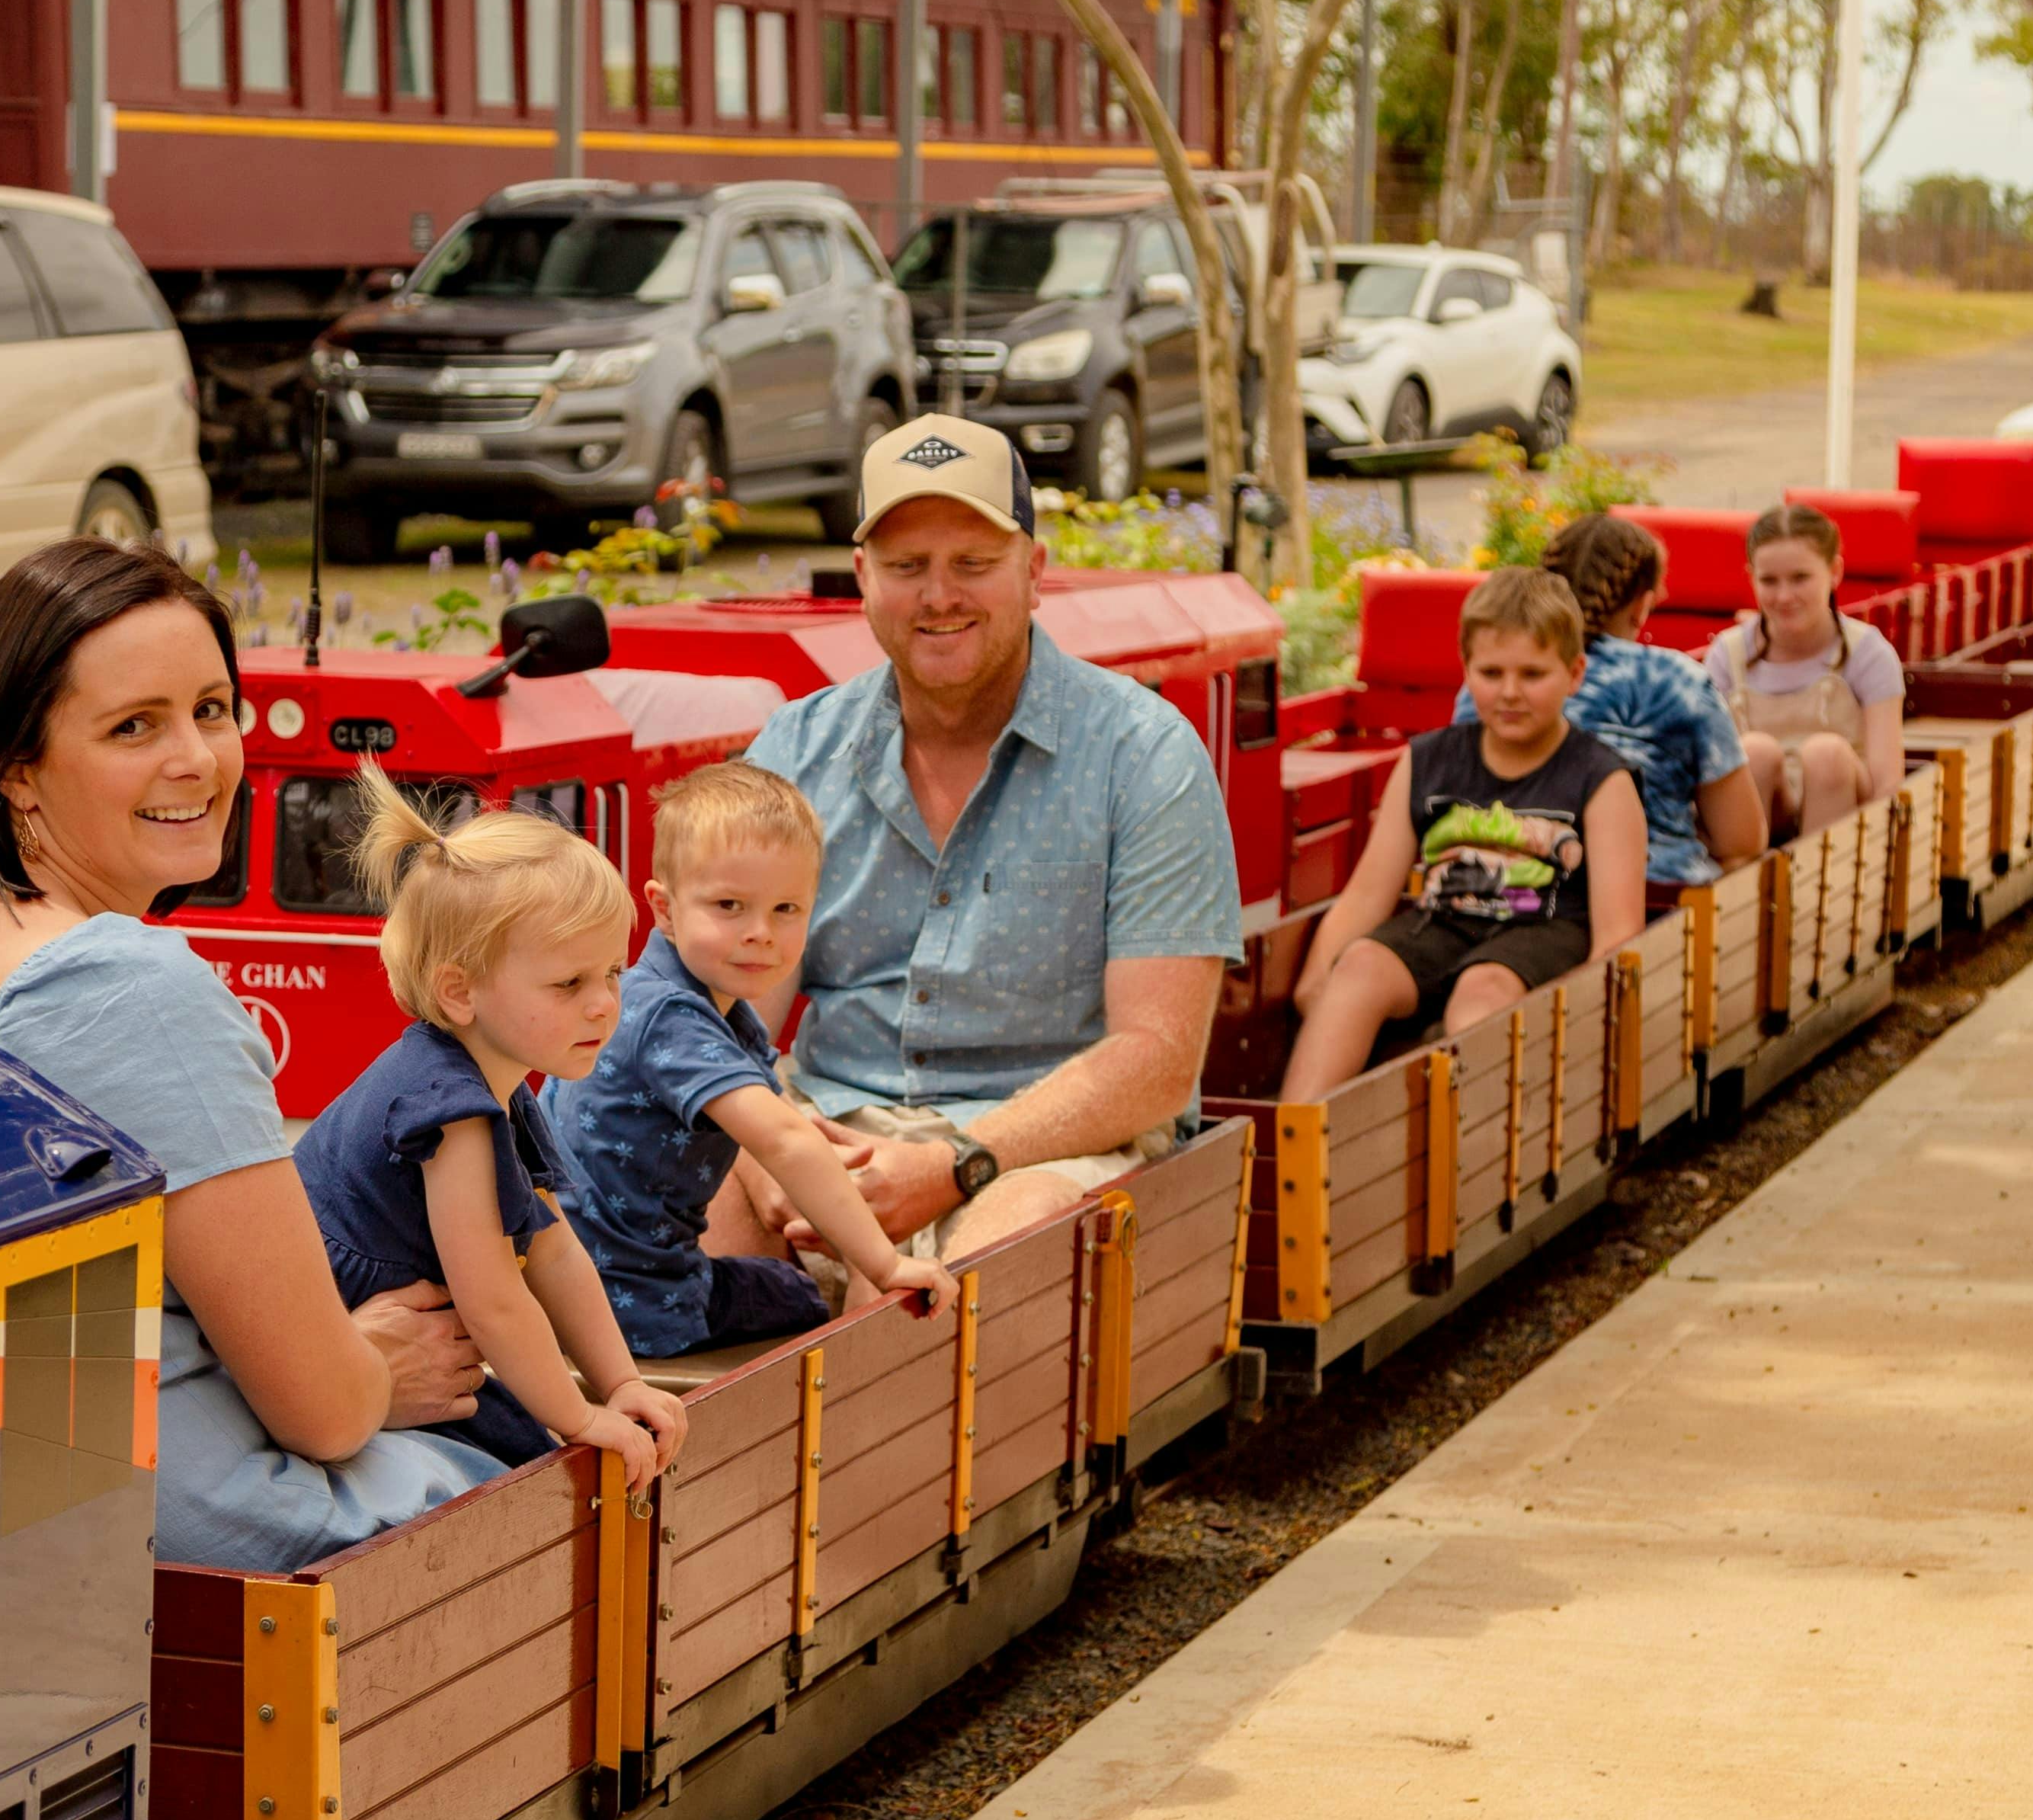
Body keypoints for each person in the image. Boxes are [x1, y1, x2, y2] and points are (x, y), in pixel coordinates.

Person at [0, 537, 495, 1576]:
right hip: (160, 1524)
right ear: (15, 766)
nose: (199, 758)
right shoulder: (124, 991)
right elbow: (320, 1413)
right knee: (515, 1478)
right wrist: (376, 1369)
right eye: (134, 727)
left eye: (213, 710)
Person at [724, 412, 1239, 1263]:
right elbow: (720, 1019)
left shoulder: (1143, 755)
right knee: (678, 1205)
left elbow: (1158, 1060)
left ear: (1035, 572)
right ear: (862, 577)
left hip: (1041, 1145)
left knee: (996, 1261)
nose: (939, 596)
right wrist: (760, 1151)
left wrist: (953, 1163)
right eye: (907, 567)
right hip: (824, 1123)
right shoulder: (796, 749)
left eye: (973, 564)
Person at [294, 783, 691, 1485]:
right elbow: (493, 1300)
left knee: (537, 1442)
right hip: (347, 1313)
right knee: (532, 1463)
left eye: (613, 973)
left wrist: (620, 1381)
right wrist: (578, 1415)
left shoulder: (499, 1080)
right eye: (568, 984)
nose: (604, 1004)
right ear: (459, 991)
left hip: (404, 1310)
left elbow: (551, 1250)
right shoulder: (453, 1110)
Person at [550, 760, 958, 1357]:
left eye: (786, 910)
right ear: (665, 910)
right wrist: (885, 1263)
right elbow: (784, 1143)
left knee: (777, 1276)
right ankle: (846, 1403)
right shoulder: (673, 1018)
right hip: (630, 1303)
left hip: (580, 1277)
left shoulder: (682, 1001)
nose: (760, 933)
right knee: (802, 1294)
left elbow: (777, 1115)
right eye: (730, 906)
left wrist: (812, 1139)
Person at [1282, 566, 1644, 1101]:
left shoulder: (1601, 778)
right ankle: (1296, 1145)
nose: (1510, 693)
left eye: (1532, 674)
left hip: (1544, 931)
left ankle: (1470, 1159)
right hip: (1443, 922)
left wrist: (1588, 1031)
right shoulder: (1430, 759)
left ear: (1574, 673)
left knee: (1482, 992)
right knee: (1358, 966)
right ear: (1466, 670)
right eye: (1491, 673)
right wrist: (1316, 981)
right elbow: (1366, 895)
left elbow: (1618, 932)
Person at [1471, 510, 1765, 899]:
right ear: (1641, 605)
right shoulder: (1676, 679)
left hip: (1507, 882)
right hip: (1649, 892)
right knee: (1744, 866)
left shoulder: (1492, 679)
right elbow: (1742, 840)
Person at [1698, 503, 1907, 835]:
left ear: (1835, 572)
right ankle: (1744, 881)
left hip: (1845, 819)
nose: (1784, 596)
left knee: (1826, 754)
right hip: (1757, 815)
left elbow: (1886, 782)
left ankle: (1823, 882)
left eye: (1800, 578)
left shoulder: (1867, 653)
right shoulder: (1728, 654)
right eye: (1769, 581)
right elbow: (1709, 770)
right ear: (1751, 577)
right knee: (1755, 751)